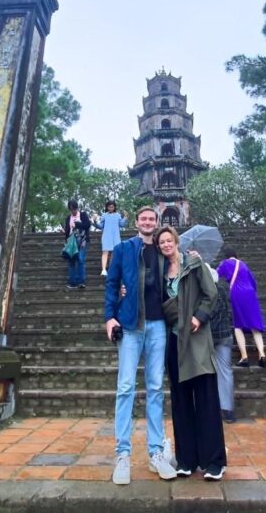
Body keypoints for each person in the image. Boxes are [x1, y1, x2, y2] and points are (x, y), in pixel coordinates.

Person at [103, 207, 177, 485]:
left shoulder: (162, 249)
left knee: (156, 387)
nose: (148, 222)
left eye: (152, 219)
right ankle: (123, 454)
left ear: (157, 223)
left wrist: (192, 259)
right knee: (125, 388)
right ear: (136, 223)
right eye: (144, 219)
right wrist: (110, 317)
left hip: (158, 325)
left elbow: (179, 270)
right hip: (131, 324)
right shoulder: (123, 249)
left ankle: (156, 452)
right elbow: (112, 283)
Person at [158, 226, 227, 480]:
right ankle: (186, 459)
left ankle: (214, 462)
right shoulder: (161, 272)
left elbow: (212, 294)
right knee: (181, 401)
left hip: (196, 339)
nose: (165, 244)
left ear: (176, 241)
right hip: (174, 340)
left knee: (206, 399)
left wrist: (199, 316)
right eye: (161, 242)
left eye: (168, 240)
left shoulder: (194, 264)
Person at [217, 248, 266, 368]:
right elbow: (253, 282)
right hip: (250, 293)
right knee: (255, 325)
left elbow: (215, 275)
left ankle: (244, 357)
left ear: (226, 256)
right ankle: (262, 354)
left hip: (237, 293)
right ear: (236, 255)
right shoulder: (244, 265)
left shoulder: (225, 263)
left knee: (238, 325)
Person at [207, 261, 236, 422]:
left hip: (209, 336)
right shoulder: (224, 290)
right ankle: (227, 409)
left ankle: (211, 407)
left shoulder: (205, 292)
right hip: (225, 334)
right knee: (225, 371)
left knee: (207, 371)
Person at [62, 199, 91, 290]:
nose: (73, 211)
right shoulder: (68, 218)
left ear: (77, 208)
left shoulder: (83, 215)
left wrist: (78, 224)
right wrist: (65, 237)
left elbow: (87, 225)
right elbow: (67, 231)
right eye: (71, 210)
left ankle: (81, 282)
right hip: (71, 242)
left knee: (80, 259)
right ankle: (72, 282)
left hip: (82, 240)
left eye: (74, 209)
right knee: (71, 261)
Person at [94, 201, 127, 277]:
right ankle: (103, 269)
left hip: (115, 236)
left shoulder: (118, 215)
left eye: (112, 207)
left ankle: (111, 269)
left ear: (114, 207)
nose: (111, 208)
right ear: (107, 207)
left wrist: (125, 218)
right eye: (109, 207)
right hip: (106, 235)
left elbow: (121, 224)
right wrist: (95, 221)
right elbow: (100, 226)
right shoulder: (104, 215)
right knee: (105, 252)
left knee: (114, 253)